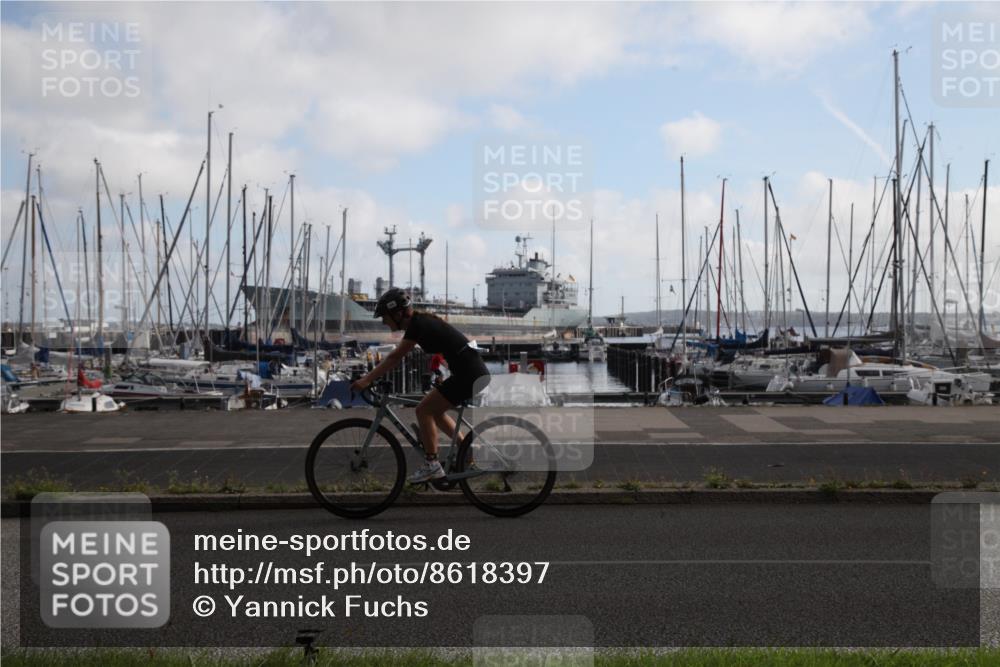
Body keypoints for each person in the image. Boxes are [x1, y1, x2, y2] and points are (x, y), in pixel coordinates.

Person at [351, 288, 491, 483]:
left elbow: (394, 356)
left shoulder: (418, 325)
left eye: (385, 316)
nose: (383, 321)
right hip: (470, 372)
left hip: (469, 374)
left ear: (398, 313)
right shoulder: (421, 323)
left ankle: (432, 465)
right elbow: (446, 345)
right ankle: (466, 452)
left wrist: (367, 379)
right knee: (435, 411)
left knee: (423, 410)